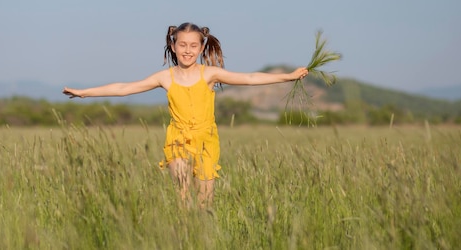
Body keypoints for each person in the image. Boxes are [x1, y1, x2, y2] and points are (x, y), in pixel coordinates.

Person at [62, 22, 308, 208]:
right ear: (173, 46)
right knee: (183, 199)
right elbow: (123, 88)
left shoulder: (210, 74)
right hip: (177, 140)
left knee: (203, 205)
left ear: (201, 47)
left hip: (206, 142)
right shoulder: (165, 77)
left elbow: (250, 78)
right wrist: (85, 93)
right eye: (182, 45)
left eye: (193, 46)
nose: (187, 51)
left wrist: (288, 76)